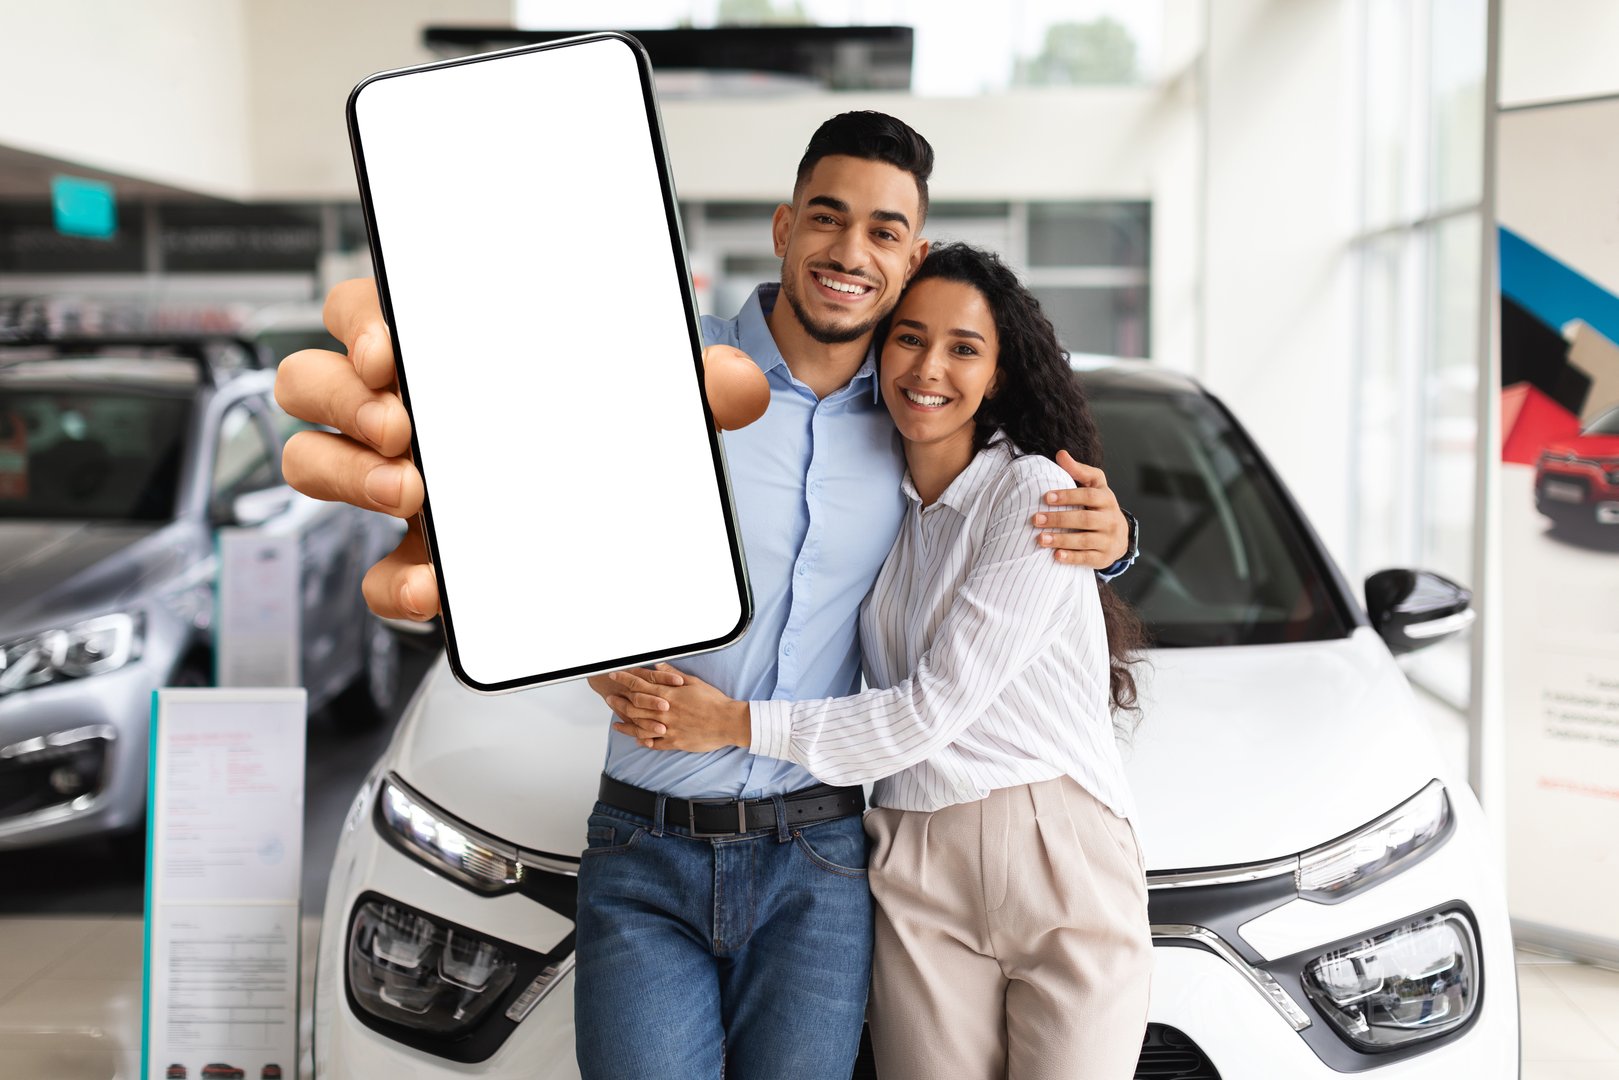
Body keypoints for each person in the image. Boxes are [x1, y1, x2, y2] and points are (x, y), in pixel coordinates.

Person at [273, 112, 1139, 1079]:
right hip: (644, 842)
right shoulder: (660, 375)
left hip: (820, 855)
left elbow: (994, 540)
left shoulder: (914, 426)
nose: (850, 250)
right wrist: (561, 622)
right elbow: (532, 511)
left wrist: (1112, 542)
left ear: (911, 255)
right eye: (826, 217)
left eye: (884, 231)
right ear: (782, 228)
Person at [608, 243, 1153, 1080]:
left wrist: (731, 723)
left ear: (999, 375)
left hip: (1054, 855)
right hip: (910, 856)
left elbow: (926, 710)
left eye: (964, 348)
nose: (929, 367)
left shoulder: (1034, 493)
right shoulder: (881, 510)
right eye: (908, 338)